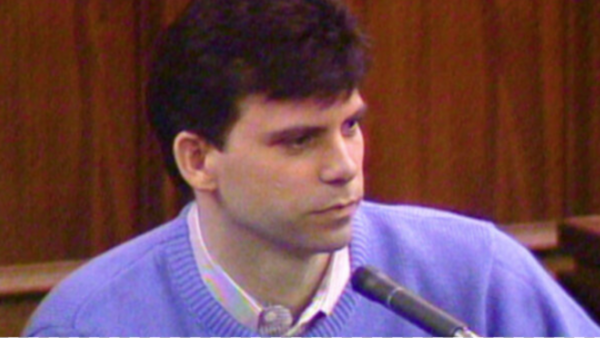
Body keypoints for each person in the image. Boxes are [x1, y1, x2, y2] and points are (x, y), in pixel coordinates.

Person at [24, 0, 600, 336]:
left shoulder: (476, 275)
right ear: (198, 159)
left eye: (350, 126)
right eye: (299, 141)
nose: (344, 167)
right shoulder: (86, 324)